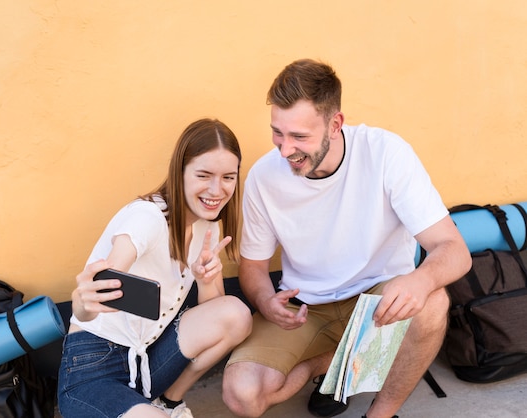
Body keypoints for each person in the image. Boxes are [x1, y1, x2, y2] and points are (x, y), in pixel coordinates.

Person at [221, 59, 472, 418]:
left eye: (299, 137)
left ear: (335, 124)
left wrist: (422, 279)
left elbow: (455, 250)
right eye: (278, 132)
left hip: (377, 299)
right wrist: (265, 301)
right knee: (242, 396)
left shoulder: (386, 153)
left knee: (432, 302)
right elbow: (254, 267)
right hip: (306, 308)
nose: (284, 150)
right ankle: (326, 367)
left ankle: (380, 413)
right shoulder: (264, 177)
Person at [58, 118, 253, 418]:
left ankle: (169, 402)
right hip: (93, 367)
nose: (217, 189)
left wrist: (205, 279)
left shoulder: (207, 224)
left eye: (228, 177)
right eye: (204, 175)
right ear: (181, 172)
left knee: (237, 314)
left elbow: (217, 316)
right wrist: (83, 303)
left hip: (146, 361)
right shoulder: (147, 217)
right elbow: (100, 289)